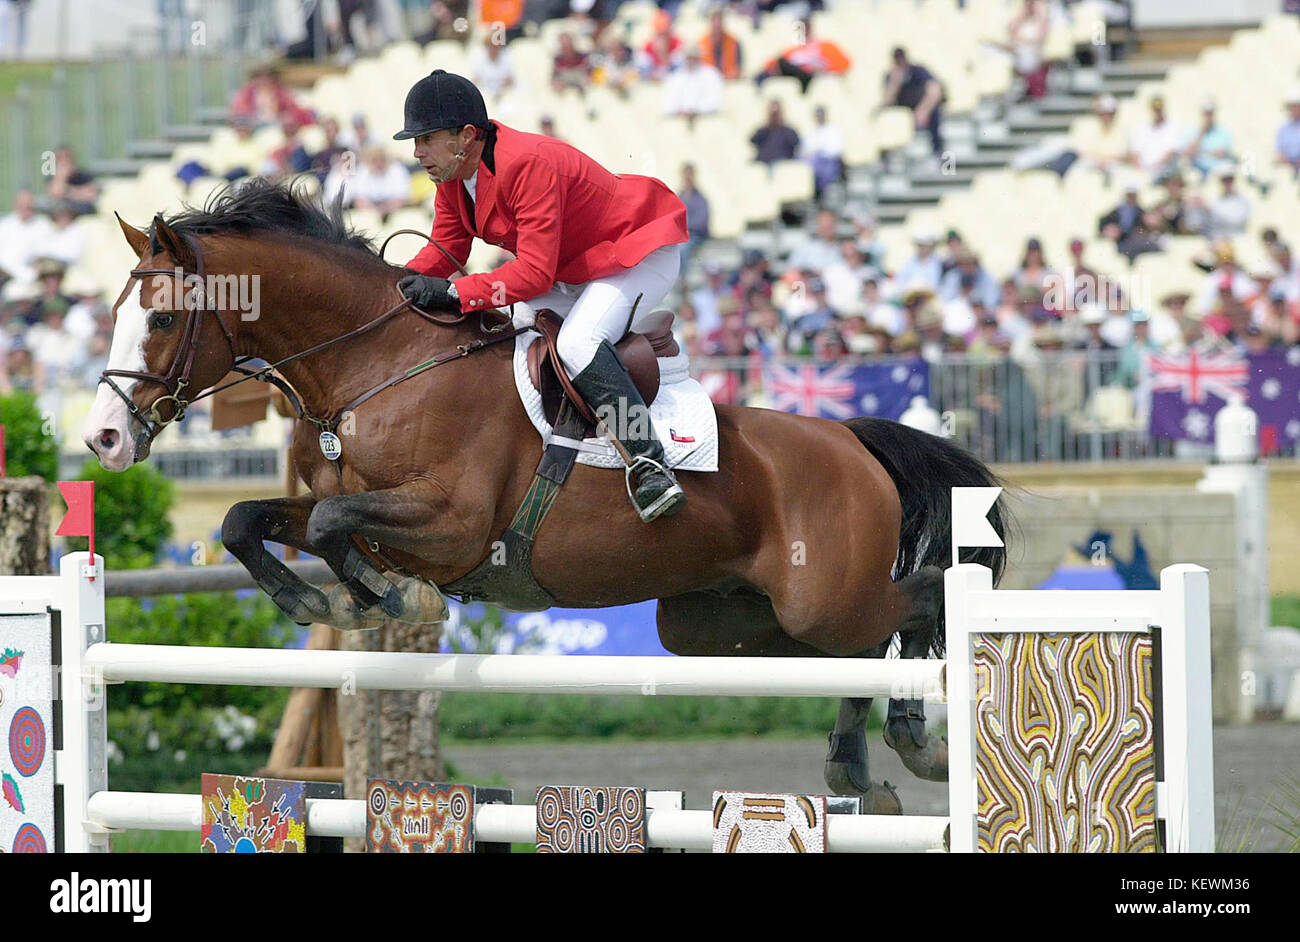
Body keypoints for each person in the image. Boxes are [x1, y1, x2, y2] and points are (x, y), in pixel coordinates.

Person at [395, 70, 689, 521]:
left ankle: (650, 464)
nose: (417, 153)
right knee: (507, 336)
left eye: (426, 139)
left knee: (576, 343)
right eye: (415, 142)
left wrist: (454, 292)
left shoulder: (527, 163)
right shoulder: (452, 175)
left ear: (467, 135)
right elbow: (446, 250)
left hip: (633, 251)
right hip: (573, 266)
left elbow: (532, 273)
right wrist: (391, 288)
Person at [882, 47, 944, 159]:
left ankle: (936, 152)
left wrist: (924, 109)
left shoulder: (917, 71)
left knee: (934, 114)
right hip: (904, 114)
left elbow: (935, 89)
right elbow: (886, 101)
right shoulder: (890, 76)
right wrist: (894, 83)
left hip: (923, 109)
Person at [661, 45, 723, 126]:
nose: (691, 61)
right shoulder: (675, 77)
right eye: (688, 58)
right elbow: (668, 104)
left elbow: (715, 102)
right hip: (679, 122)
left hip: (707, 122)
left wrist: (695, 111)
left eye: (694, 57)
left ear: (699, 57)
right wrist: (682, 111)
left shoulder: (711, 74)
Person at [749, 100, 800, 165]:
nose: (775, 116)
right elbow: (752, 141)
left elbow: (796, 143)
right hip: (764, 164)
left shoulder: (788, 132)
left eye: (776, 113)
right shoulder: (763, 131)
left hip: (783, 165)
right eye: (772, 113)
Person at [698, 8, 743, 80]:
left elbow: (738, 70)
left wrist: (724, 77)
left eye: (719, 21)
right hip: (708, 83)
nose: (717, 25)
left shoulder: (734, 43)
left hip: (730, 82)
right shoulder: (701, 44)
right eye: (714, 21)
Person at [1275, 85, 1300, 176]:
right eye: (1292, 106)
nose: (1295, 109)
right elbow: (1279, 152)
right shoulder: (1283, 129)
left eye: (1297, 106)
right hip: (1287, 169)